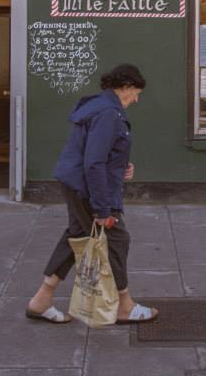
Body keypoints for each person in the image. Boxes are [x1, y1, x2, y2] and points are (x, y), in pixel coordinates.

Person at [26, 64, 159, 325]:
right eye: (135, 93)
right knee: (117, 238)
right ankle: (124, 305)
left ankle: (41, 300)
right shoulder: (109, 112)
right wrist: (102, 210)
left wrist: (121, 167)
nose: (136, 99)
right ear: (125, 88)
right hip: (89, 187)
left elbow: (96, 154)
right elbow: (94, 162)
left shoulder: (98, 105)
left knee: (77, 235)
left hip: (77, 182)